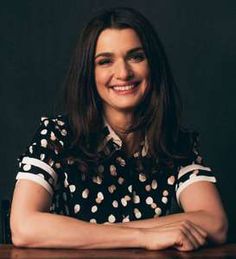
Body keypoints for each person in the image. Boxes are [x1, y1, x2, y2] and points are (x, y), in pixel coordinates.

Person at [10, 7, 228, 251]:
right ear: (88, 73)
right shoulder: (56, 135)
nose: (123, 73)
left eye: (136, 56)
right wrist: (143, 237)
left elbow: (215, 223)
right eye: (105, 61)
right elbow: (23, 227)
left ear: (153, 64)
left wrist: (88, 233)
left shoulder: (175, 142)